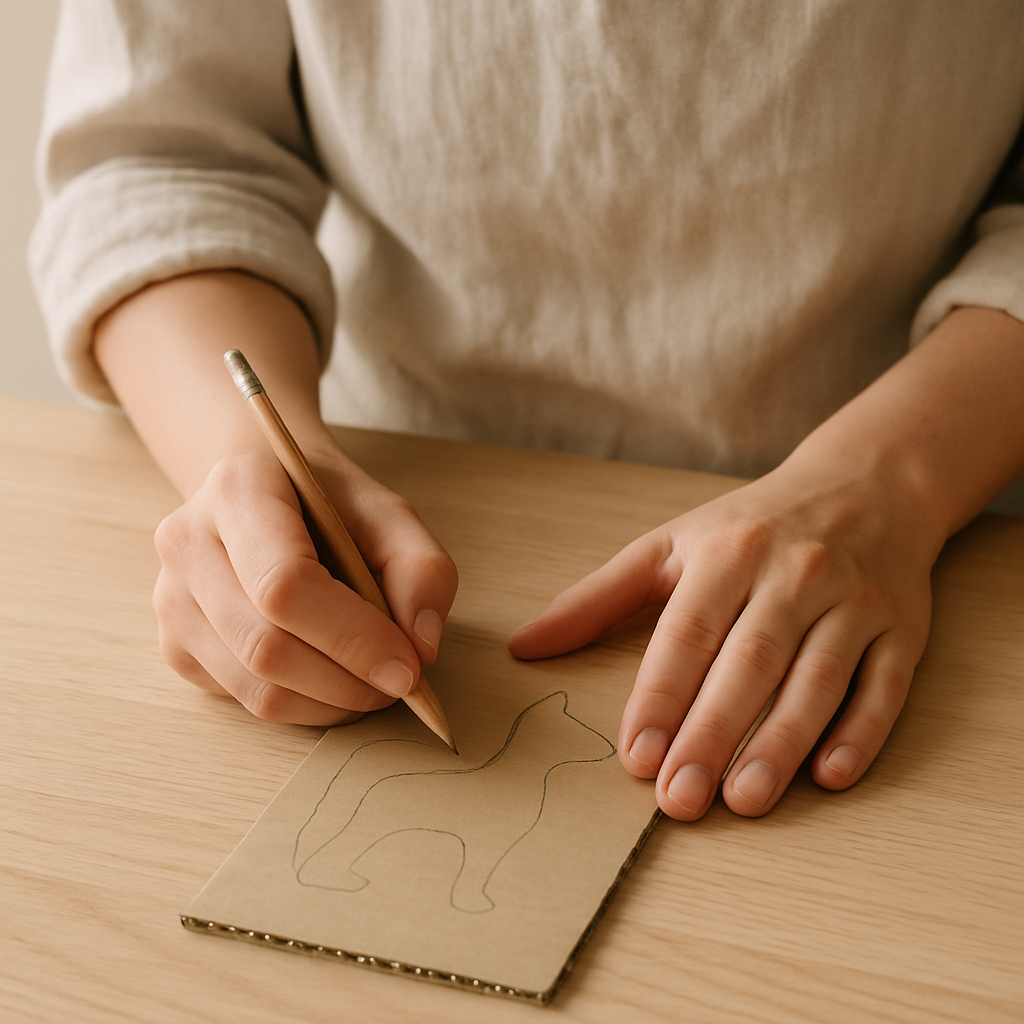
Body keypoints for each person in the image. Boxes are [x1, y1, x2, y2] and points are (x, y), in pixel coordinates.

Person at [31, 2, 1024, 822]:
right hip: (411, 501)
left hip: (923, 502)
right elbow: (156, 161)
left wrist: (888, 479)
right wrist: (246, 463)